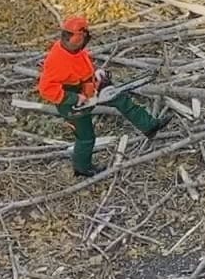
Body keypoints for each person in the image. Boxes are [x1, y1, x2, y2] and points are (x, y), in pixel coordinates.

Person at [36, 15, 162, 178]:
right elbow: (46, 89)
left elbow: (82, 62)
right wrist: (75, 98)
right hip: (71, 102)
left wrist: (96, 72)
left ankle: (149, 125)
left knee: (119, 98)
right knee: (86, 137)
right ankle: (82, 168)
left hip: (87, 88)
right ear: (76, 37)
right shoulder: (57, 60)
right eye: (82, 37)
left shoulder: (75, 51)